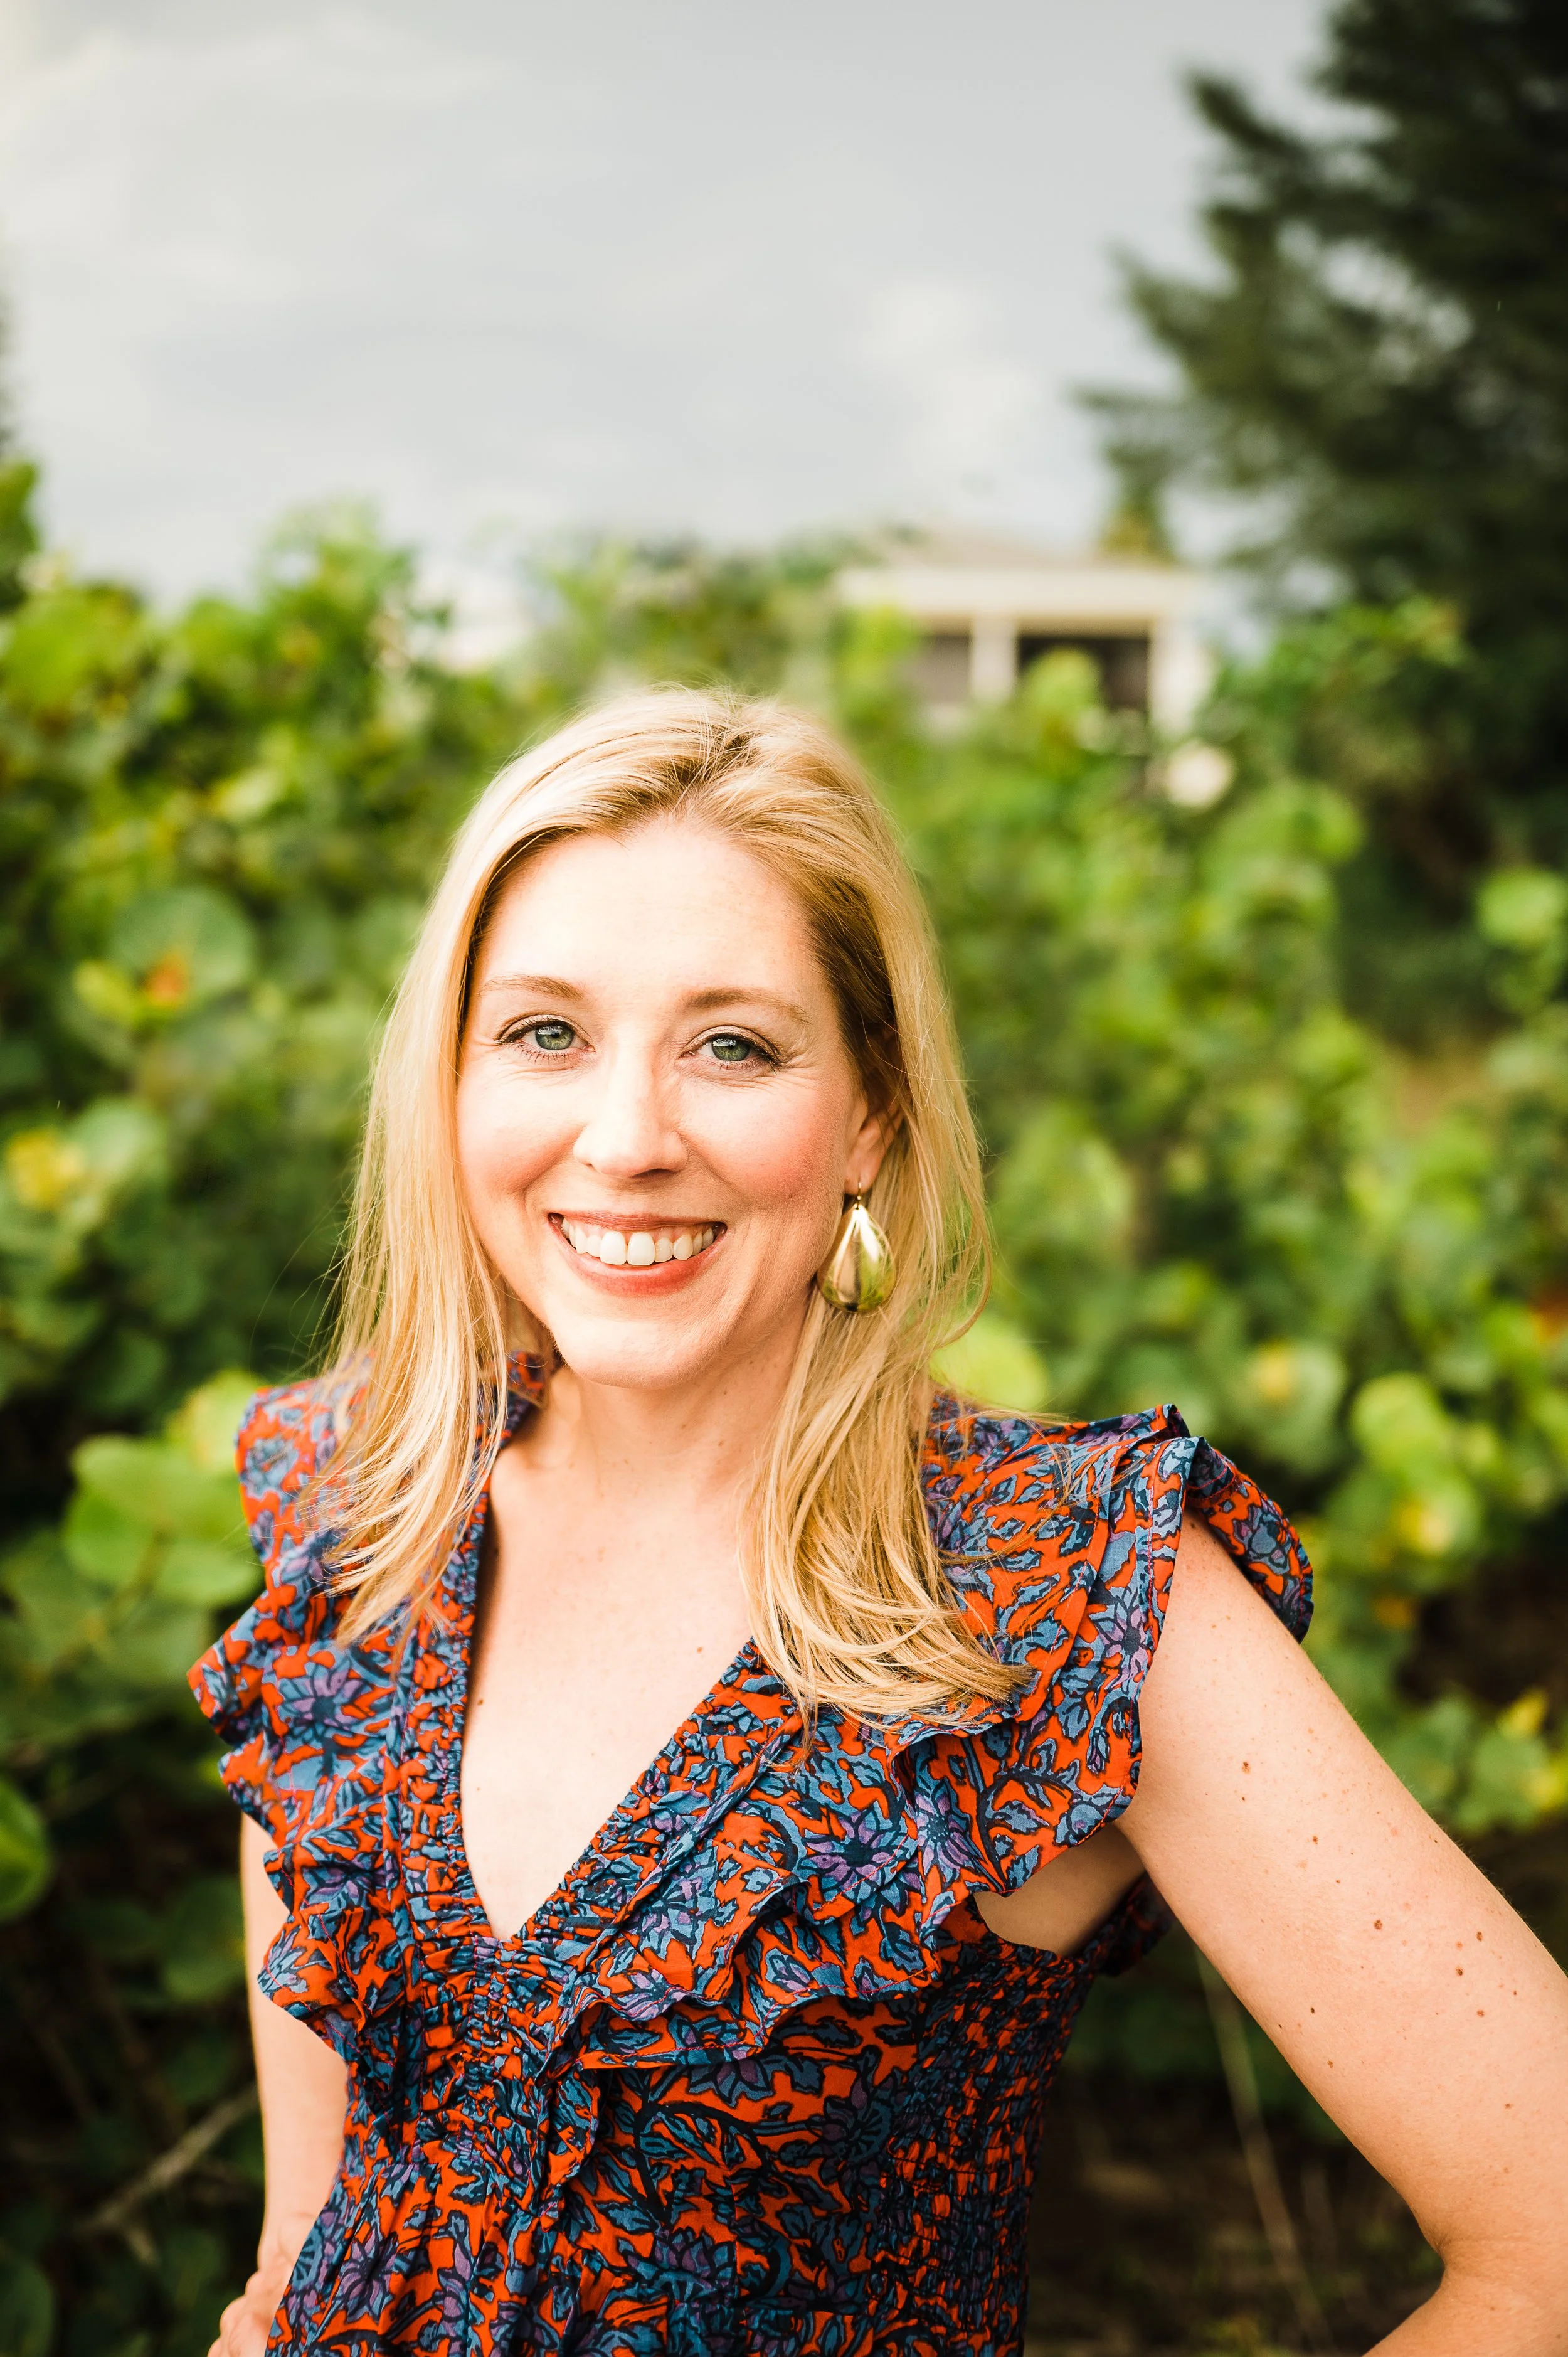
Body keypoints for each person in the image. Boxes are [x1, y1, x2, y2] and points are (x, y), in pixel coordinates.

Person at [194, 688, 1568, 2357]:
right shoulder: (355, 1506)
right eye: (545, 1031)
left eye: (733, 1042)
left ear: (870, 1117)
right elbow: (307, 2239)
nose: (624, 1138)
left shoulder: (1065, 1587)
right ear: (449, 1080)